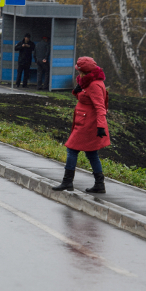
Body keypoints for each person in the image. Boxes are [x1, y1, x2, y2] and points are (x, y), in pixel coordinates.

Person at [52, 56, 111, 193]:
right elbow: (85, 98)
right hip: (84, 121)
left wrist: (101, 126)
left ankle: (67, 182)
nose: (77, 72)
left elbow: (100, 107)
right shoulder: (87, 82)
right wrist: (77, 91)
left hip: (88, 124)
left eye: (79, 70)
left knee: (72, 149)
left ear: (83, 71)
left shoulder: (94, 85)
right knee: (91, 153)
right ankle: (99, 184)